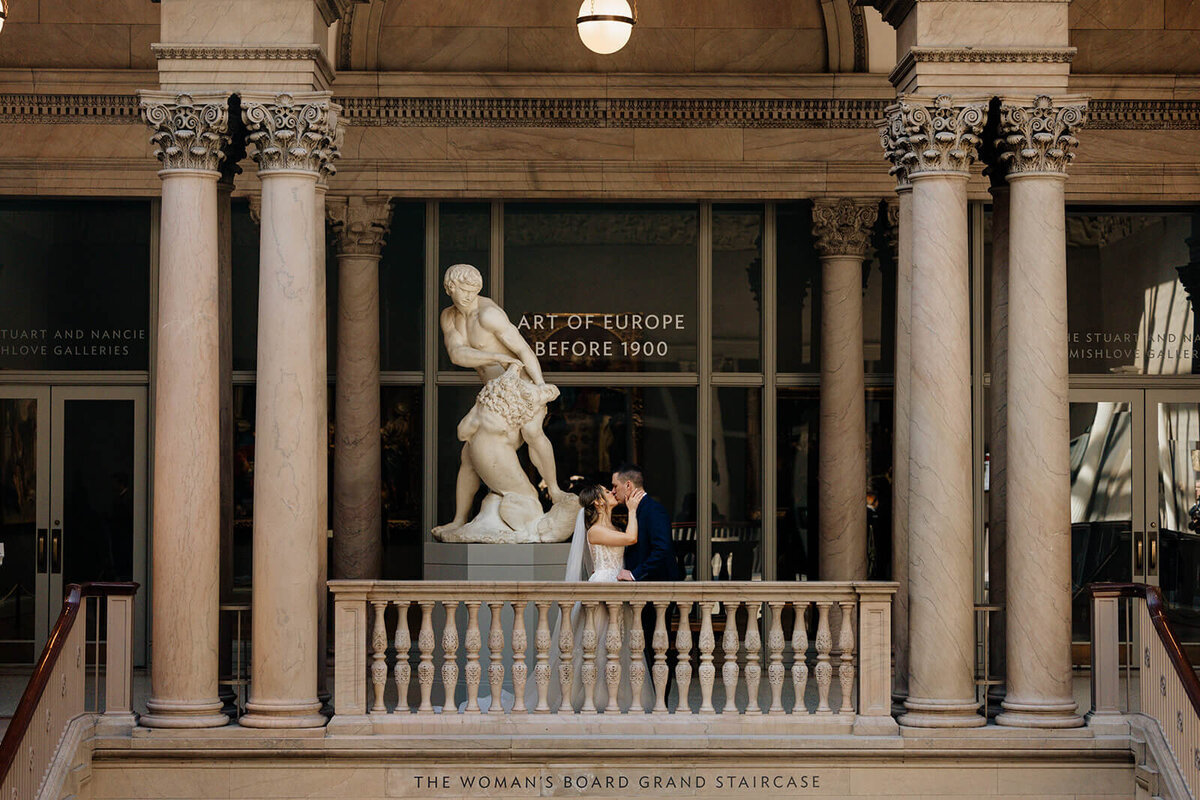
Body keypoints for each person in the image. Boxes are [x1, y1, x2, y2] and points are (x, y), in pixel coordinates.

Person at [435, 264, 570, 539]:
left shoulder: (489, 315)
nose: (465, 296)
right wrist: (496, 358)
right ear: (450, 290)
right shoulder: (449, 317)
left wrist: (541, 386)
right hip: (493, 392)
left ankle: (554, 489)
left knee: (533, 432)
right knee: (469, 455)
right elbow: (456, 354)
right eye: (459, 291)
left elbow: (523, 349)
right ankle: (460, 520)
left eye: (470, 291)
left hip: (520, 385)